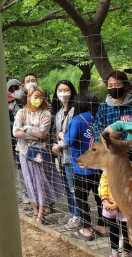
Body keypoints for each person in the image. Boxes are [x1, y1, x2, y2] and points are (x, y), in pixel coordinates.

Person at [63, 90, 108, 240]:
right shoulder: (99, 118)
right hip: (100, 167)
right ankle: (102, 227)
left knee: (81, 198)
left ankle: (86, 229)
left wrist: (60, 136)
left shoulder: (77, 119)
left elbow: (70, 139)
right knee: (100, 197)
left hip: (81, 168)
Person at [13, 86, 59, 224]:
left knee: (40, 181)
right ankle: (34, 209)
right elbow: (15, 132)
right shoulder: (21, 112)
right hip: (24, 151)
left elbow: (43, 132)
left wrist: (26, 129)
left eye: (40, 96)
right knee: (29, 181)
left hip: (40, 153)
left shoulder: (45, 114)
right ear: (29, 97)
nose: (37, 99)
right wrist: (36, 134)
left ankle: (41, 212)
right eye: (35, 96)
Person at [50, 80, 79, 228]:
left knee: (74, 187)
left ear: (72, 91)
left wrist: (60, 144)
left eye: (66, 89)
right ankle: (71, 212)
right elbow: (57, 132)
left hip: (72, 155)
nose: (63, 93)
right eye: (60, 90)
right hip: (61, 156)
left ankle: (78, 216)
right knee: (67, 186)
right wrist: (56, 143)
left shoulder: (75, 110)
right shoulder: (59, 111)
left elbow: (71, 134)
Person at [98, 165, 132, 257]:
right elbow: (103, 184)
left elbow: (128, 187)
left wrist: (116, 203)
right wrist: (105, 200)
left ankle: (126, 252)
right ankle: (114, 251)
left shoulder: (130, 169)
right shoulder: (107, 169)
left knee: (126, 229)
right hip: (109, 203)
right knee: (112, 227)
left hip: (124, 203)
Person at [7, 79, 30, 205]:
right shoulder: (12, 104)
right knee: (19, 169)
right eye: (11, 90)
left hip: (32, 141)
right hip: (16, 141)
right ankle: (22, 193)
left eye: (16, 88)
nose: (14, 92)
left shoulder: (32, 98)